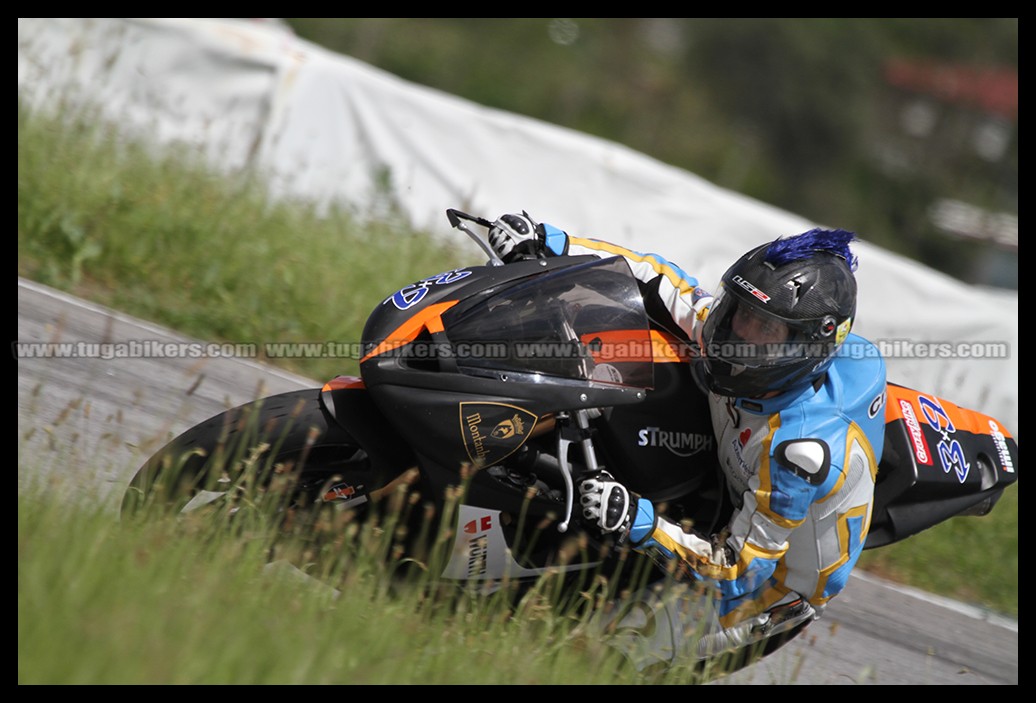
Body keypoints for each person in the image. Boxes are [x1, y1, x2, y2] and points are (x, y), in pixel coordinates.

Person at [487, 211, 887, 669]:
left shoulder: (797, 455)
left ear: (808, 348)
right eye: (740, 314)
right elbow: (658, 280)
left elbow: (737, 571)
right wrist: (552, 244)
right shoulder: (732, 336)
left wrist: (638, 521)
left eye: (765, 330)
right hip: (729, 476)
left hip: (765, 586)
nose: (740, 336)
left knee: (585, 663)